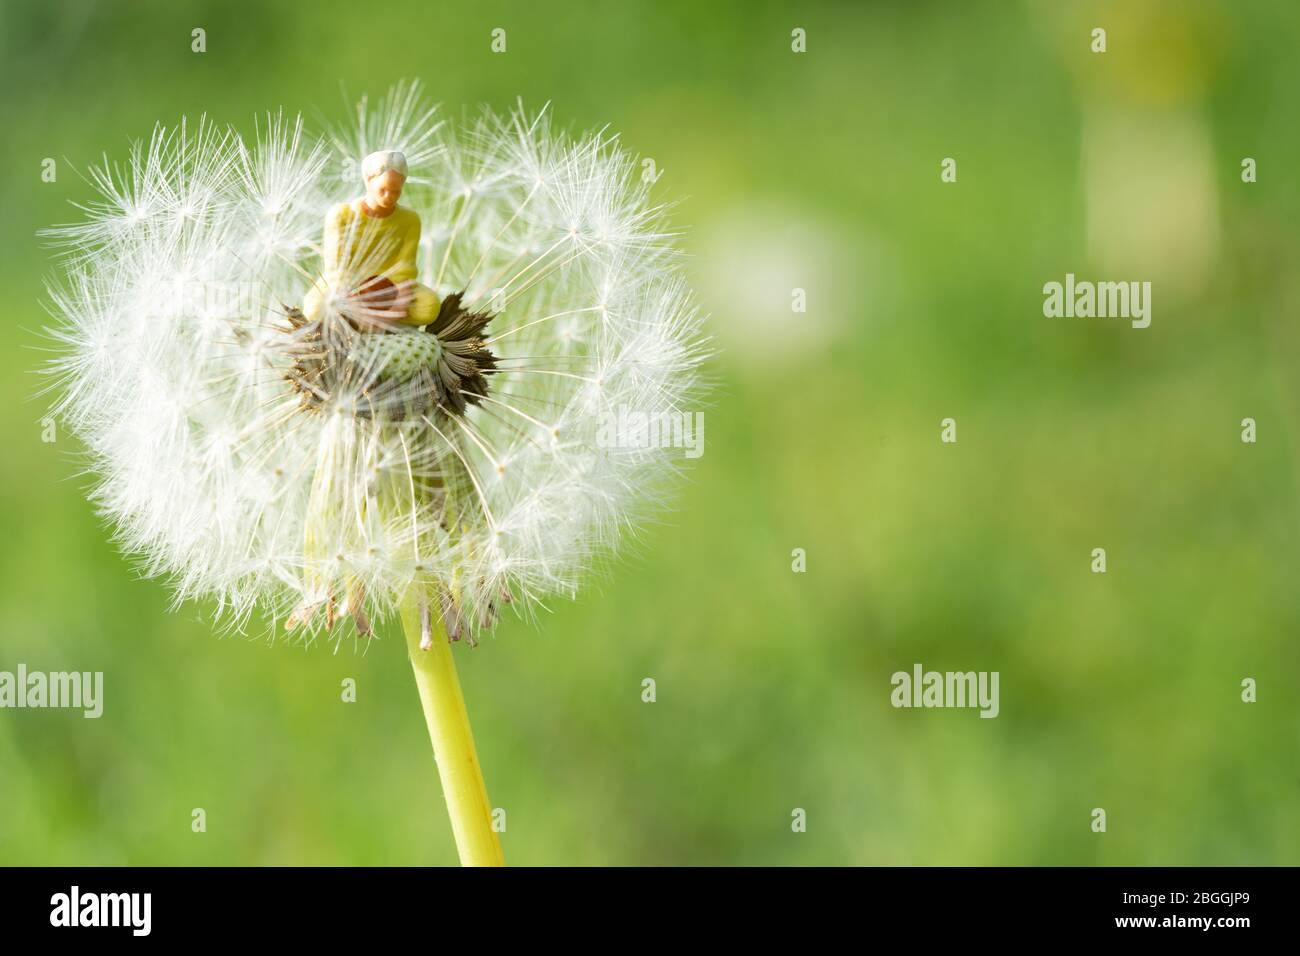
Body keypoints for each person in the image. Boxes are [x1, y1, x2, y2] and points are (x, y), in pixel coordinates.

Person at [302, 149, 440, 329]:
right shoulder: (341, 215)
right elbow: (336, 268)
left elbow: (406, 266)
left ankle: (354, 322)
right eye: (382, 190)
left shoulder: (410, 220)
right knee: (313, 309)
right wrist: (351, 300)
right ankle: (368, 320)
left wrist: (400, 300)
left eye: (395, 191)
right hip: (347, 286)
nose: (389, 196)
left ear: (403, 183)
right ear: (368, 181)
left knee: (430, 307)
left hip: (391, 288)